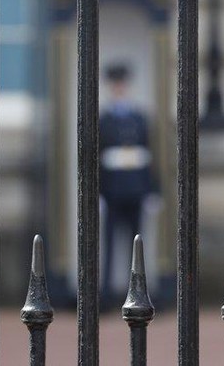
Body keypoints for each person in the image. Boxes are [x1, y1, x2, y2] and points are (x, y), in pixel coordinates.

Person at [98, 63, 157, 306]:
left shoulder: (139, 118)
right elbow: (98, 158)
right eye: (116, 84)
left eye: (122, 84)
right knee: (110, 244)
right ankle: (107, 294)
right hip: (112, 189)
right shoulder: (105, 119)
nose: (119, 88)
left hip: (135, 188)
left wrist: (153, 190)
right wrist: (98, 193)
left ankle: (138, 290)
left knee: (136, 243)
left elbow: (150, 156)